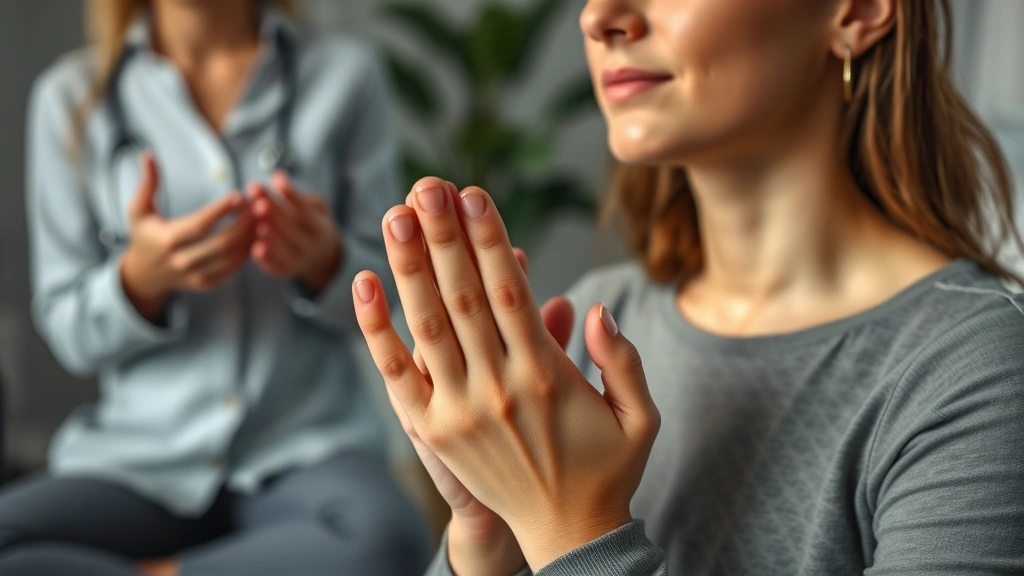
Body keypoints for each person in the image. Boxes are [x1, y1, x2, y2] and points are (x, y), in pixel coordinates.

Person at [351, 0, 1024, 574]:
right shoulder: (591, 320)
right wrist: (486, 540)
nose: (599, 16)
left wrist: (568, 526)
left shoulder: (979, 372)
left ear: (856, 12)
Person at [0, 0, 429, 574]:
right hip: (137, 461)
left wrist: (326, 260)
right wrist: (138, 282)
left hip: (307, 448)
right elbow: (66, 329)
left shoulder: (346, 74)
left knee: (390, 539)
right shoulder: (70, 98)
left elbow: (386, 298)